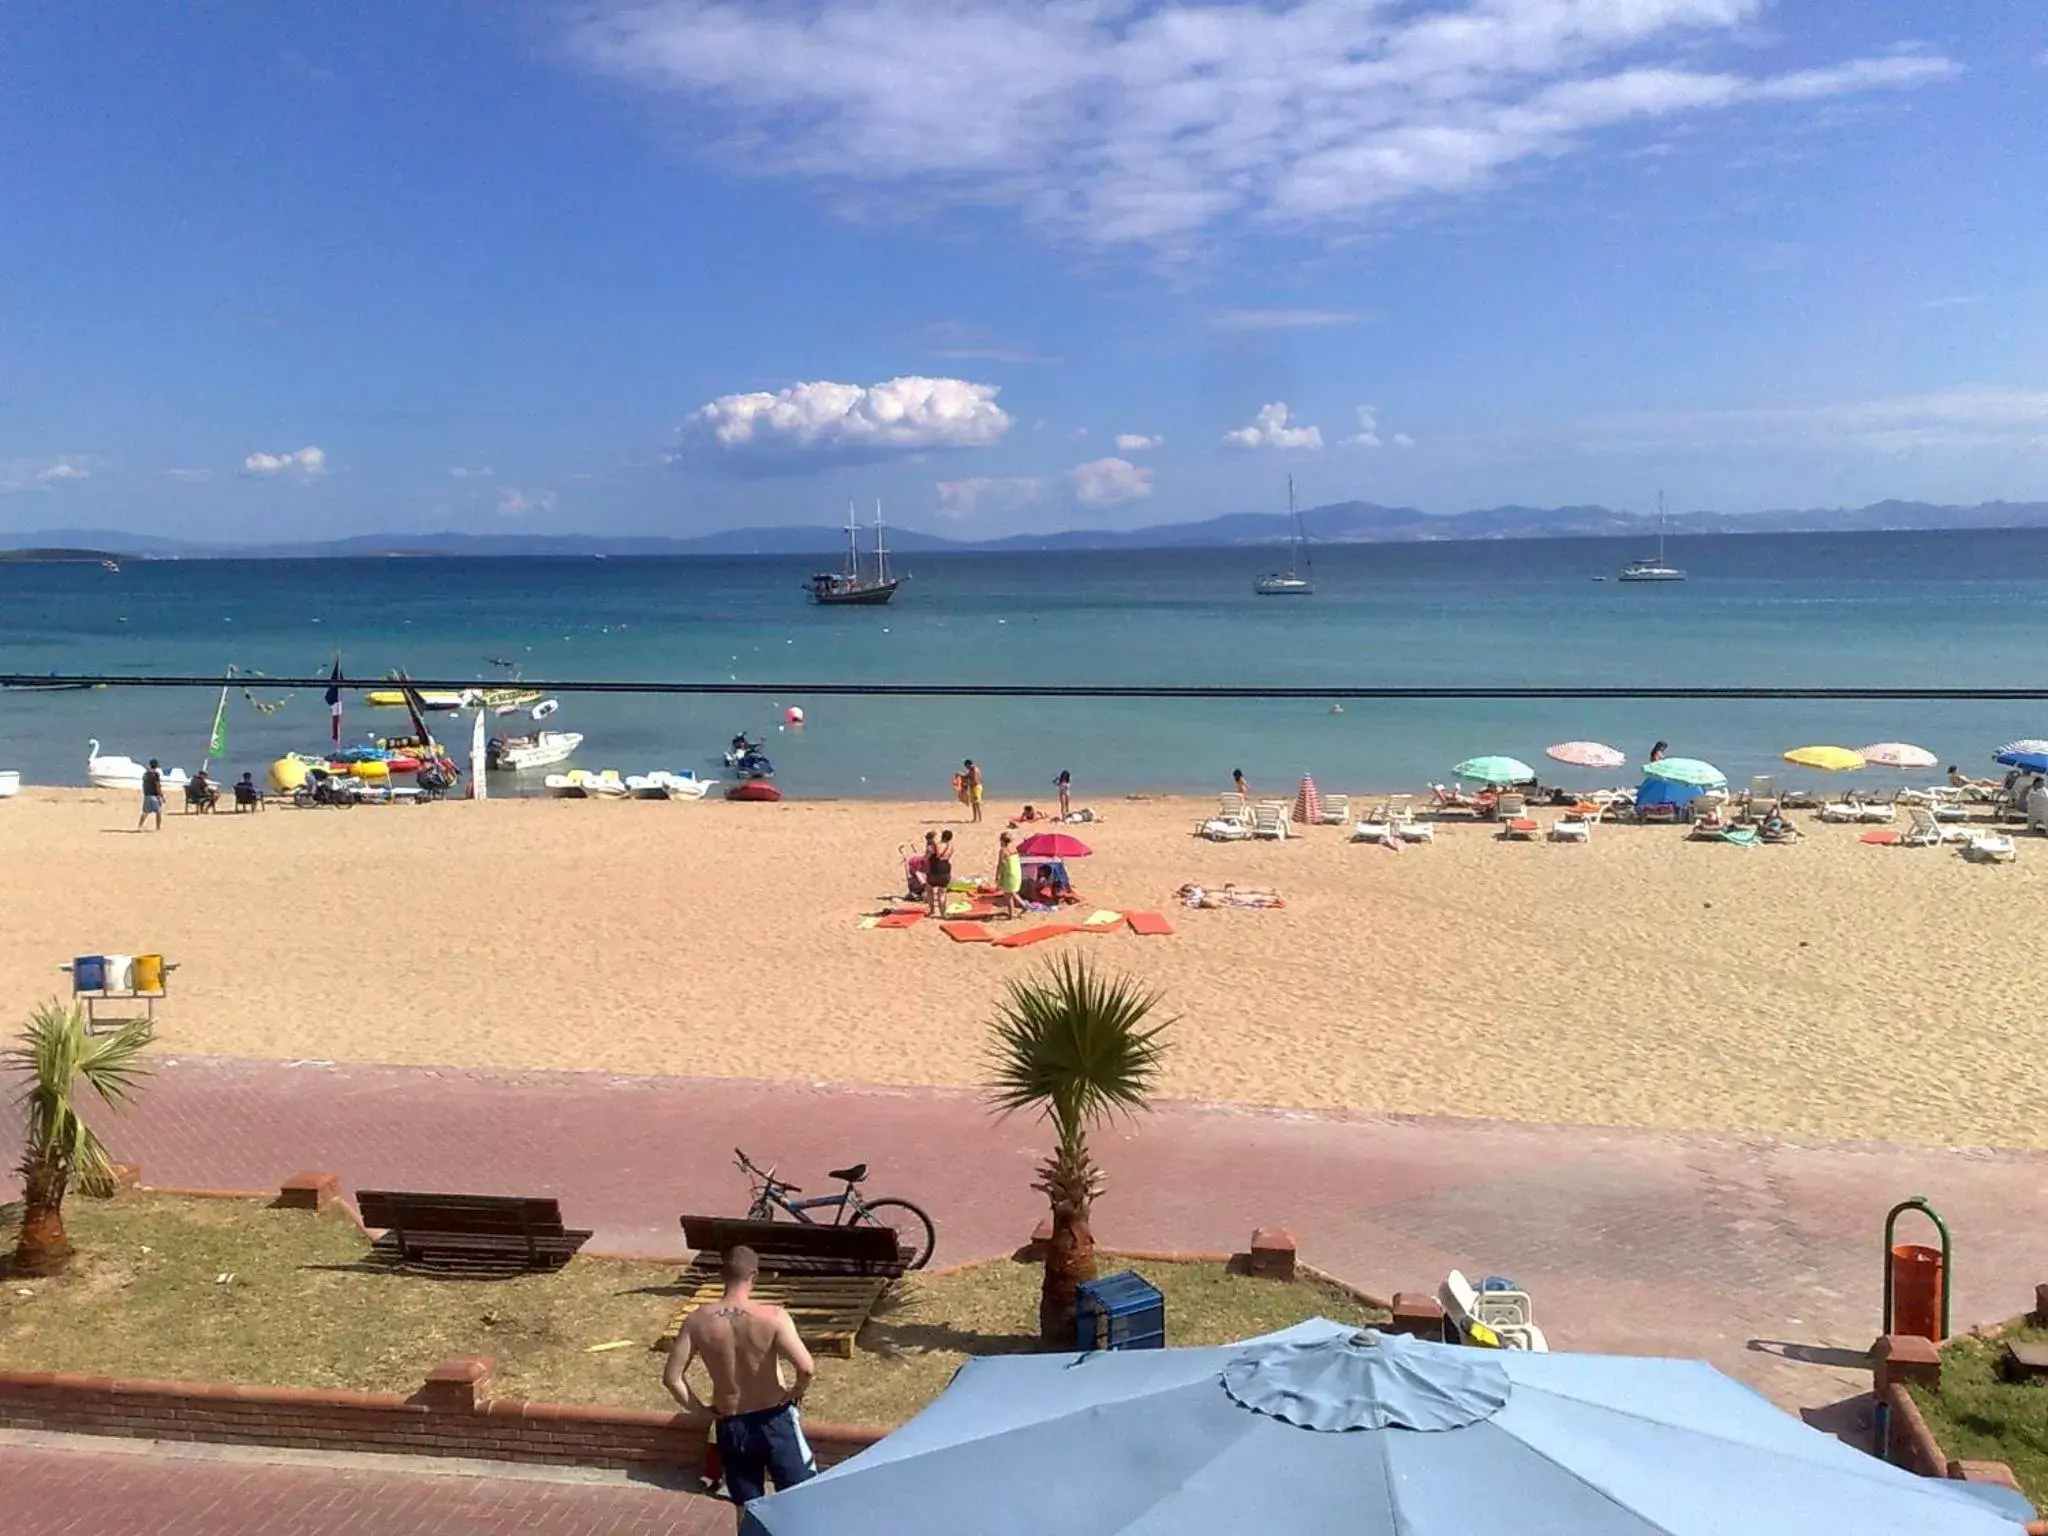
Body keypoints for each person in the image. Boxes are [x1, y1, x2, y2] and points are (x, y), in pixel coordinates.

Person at [663, 1246, 817, 1508]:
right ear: (753, 1277)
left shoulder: (697, 1321)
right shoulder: (773, 1317)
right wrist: (795, 1391)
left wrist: (700, 1412)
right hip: (775, 1418)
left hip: (732, 1425)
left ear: (722, 1276)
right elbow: (806, 1368)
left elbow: (672, 1378)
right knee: (801, 1497)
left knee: (748, 1506)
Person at [994, 831, 1022, 918]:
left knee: (1008, 895)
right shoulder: (1014, 849)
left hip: (1009, 873)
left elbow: (1000, 865)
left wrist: (997, 876)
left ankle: (1011, 915)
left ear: (1002, 841)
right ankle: (1024, 906)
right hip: (1016, 872)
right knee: (1012, 892)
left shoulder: (1003, 851)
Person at [925, 830, 952, 916]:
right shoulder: (950, 847)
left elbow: (927, 856)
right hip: (945, 869)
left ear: (942, 836)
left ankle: (932, 910)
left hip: (934, 869)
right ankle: (943, 913)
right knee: (942, 892)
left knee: (929, 889)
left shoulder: (935, 846)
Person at [138, 759, 164, 832]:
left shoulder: (146, 774)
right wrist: (161, 796)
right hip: (154, 795)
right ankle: (158, 827)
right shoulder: (155, 774)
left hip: (147, 795)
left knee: (145, 811)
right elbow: (158, 786)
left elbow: (144, 784)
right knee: (158, 811)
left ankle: (140, 826)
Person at [963, 759, 984, 823]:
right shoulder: (971, 770)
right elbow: (967, 776)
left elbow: (975, 781)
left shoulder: (975, 770)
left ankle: (980, 819)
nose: (966, 768)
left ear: (968, 764)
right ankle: (974, 818)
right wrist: (960, 775)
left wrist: (967, 784)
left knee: (977, 804)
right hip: (972, 788)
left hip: (976, 788)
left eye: (966, 766)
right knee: (973, 804)